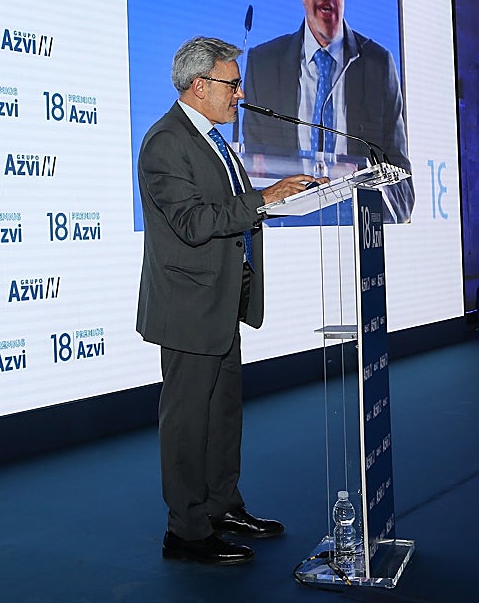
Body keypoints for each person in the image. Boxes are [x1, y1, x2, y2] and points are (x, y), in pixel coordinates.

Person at [136, 37, 321, 565]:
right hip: (188, 307)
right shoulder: (165, 142)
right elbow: (195, 223)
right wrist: (265, 198)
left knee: (222, 416)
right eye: (232, 83)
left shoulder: (214, 140)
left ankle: (222, 506)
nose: (240, 93)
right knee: (187, 421)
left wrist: (284, 198)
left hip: (221, 302)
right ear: (200, 86)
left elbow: (226, 208)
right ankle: (188, 531)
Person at [242, 0, 414, 222]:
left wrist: (364, 193)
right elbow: (253, 184)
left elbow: (404, 194)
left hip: (359, 245)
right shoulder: (263, 66)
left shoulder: (377, 65)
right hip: (290, 249)